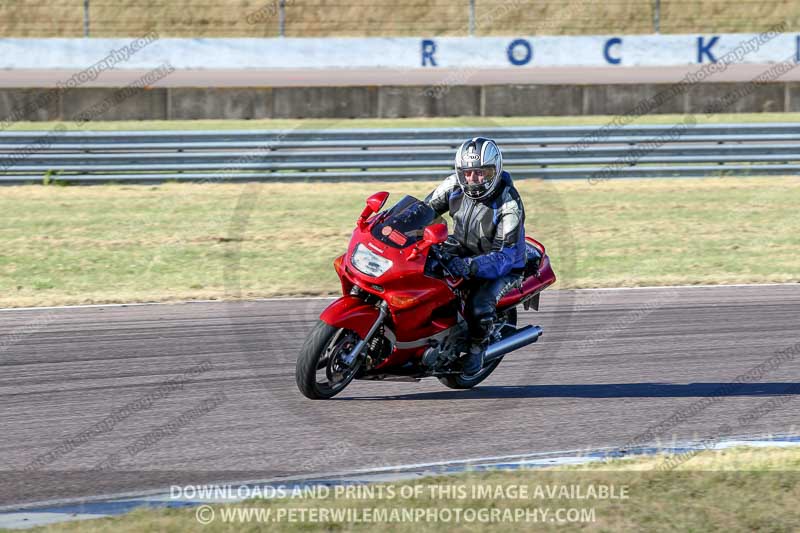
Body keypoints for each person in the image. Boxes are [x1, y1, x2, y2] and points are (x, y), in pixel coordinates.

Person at [424, 137, 527, 378]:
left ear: (495, 170)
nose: (474, 179)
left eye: (482, 173)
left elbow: (506, 254)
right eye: (468, 173)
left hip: (504, 264)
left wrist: (471, 267)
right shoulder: (453, 185)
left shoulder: (509, 203)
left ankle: (477, 347)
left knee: (479, 306)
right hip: (462, 247)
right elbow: (424, 210)